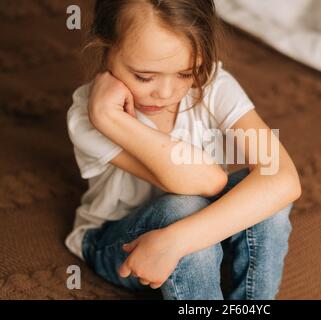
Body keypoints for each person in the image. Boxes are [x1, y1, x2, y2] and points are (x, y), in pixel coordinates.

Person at [66, 0, 301, 300]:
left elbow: (284, 178)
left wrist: (175, 242)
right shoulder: (89, 116)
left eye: (185, 73)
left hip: (194, 234)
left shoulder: (213, 85)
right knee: (182, 208)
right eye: (144, 76)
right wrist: (108, 118)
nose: (165, 93)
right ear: (105, 47)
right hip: (116, 244)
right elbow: (206, 182)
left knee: (271, 199)